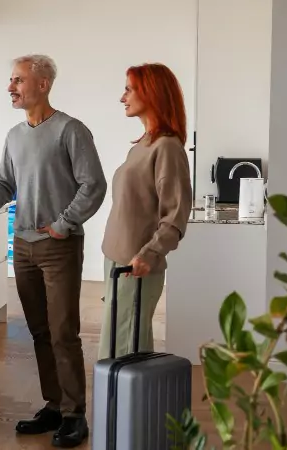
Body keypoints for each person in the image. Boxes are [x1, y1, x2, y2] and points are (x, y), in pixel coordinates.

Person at [0, 54, 106, 448]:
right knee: (40, 331)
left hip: (58, 247)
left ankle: (76, 414)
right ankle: (54, 405)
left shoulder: (70, 130)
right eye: (10, 80)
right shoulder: (14, 135)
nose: (11, 87)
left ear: (43, 84)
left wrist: (62, 225)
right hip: (23, 246)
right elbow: (5, 183)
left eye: (18, 80)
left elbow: (93, 184)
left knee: (63, 332)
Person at [99, 63, 192, 360]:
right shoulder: (143, 144)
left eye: (129, 89)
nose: (122, 97)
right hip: (118, 262)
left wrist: (148, 255)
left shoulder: (167, 147)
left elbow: (175, 216)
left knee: (123, 350)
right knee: (123, 346)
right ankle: (123, 406)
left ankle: (119, 407)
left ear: (150, 93)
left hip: (135, 266)